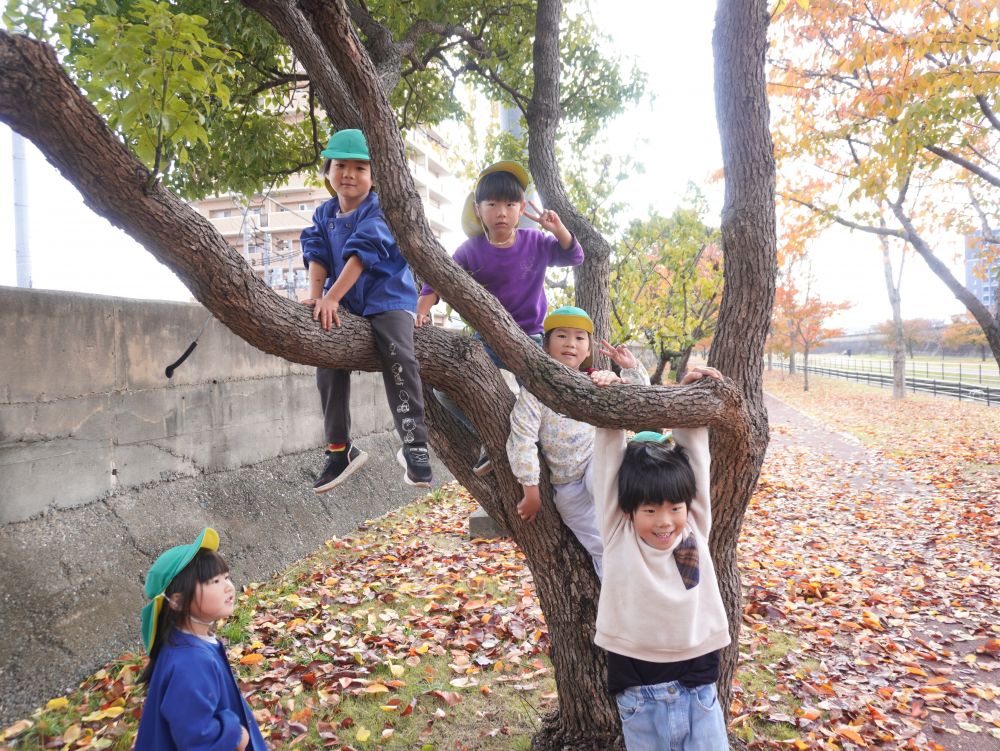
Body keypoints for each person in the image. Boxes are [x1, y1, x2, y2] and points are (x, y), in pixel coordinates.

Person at [592, 366, 730, 751]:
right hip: (639, 689)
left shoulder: (693, 532)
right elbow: (607, 467)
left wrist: (690, 397)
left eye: (674, 508)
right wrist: (611, 405)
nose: (665, 522)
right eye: (650, 510)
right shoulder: (619, 535)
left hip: (699, 685)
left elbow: (697, 463)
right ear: (630, 510)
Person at [415, 161, 584, 474]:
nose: (501, 212)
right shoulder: (471, 250)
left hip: (531, 339)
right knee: (444, 391)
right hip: (487, 341)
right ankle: (495, 439)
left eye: (509, 204)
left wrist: (557, 228)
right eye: (492, 204)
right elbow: (438, 279)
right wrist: (423, 308)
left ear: (520, 209)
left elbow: (575, 256)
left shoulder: (536, 242)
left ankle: (539, 450)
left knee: (539, 398)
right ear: (479, 210)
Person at [301, 128, 432, 492]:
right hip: (346, 302)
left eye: (360, 168)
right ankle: (339, 449)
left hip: (386, 297)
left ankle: (414, 444)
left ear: (373, 177)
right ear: (327, 171)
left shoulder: (378, 211)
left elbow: (360, 256)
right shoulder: (323, 214)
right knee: (325, 354)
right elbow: (317, 254)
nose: (349, 174)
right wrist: (317, 296)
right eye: (340, 165)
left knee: (398, 354)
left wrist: (331, 298)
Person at [506, 306, 649, 578]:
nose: (571, 343)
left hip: (598, 461)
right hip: (567, 484)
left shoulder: (596, 381)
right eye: (562, 336)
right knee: (602, 547)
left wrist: (627, 372)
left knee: (617, 514)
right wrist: (531, 490)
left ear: (588, 350)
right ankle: (618, 598)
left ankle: (648, 557)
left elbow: (639, 403)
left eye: (579, 338)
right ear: (546, 343)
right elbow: (522, 436)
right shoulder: (536, 391)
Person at [135, 528, 266, 751]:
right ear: (177, 602)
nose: (228, 586)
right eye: (214, 581)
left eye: (226, 577)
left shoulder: (190, 642)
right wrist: (235, 734)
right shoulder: (190, 662)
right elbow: (198, 739)